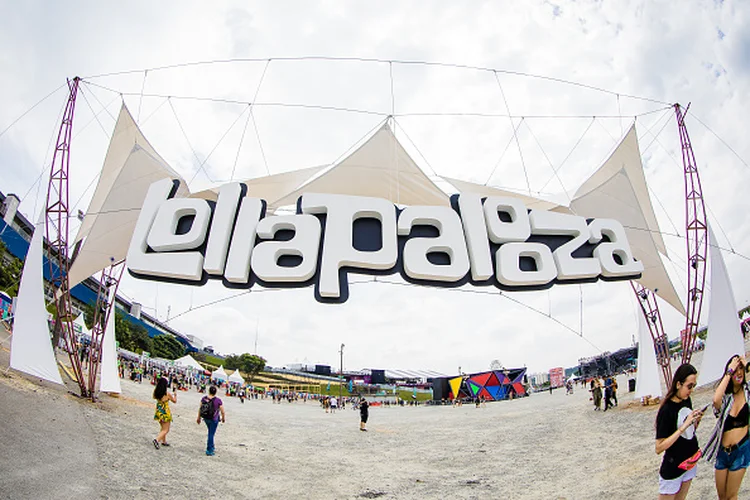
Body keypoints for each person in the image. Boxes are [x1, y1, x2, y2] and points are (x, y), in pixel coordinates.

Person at [655, 363, 704, 499]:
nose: (691, 390)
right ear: (678, 384)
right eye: (689, 386)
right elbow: (659, 447)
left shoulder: (686, 401)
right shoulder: (666, 410)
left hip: (689, 461)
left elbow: (688, 434)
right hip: (673, 466)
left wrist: (696, 421)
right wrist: (683, 426)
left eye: (693, 386)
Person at [704, 355, 750, 500]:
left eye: (741, 369)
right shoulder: (727, 397)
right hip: (722, 453)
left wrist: (747, 364)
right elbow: (716, 400)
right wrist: (729, 372)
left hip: (741, 450)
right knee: (722, 497)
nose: (739, 372)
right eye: (735, 370)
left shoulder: (748, 393)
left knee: (731, 496)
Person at [197, 385, 225, 456]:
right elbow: (222, 411)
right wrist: (223, 418)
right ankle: (209, 450)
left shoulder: (204, 399)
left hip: (206, 418)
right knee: (211, 434)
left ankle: (212, 446)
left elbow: (200, 408)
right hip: (214, 419)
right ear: (215, 392)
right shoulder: (218, 400)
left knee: (210, 432)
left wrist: (198, 418)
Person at [152, 377, 177, 449]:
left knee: (163, 427)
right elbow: (174, 401)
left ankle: (164, 441)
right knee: (166, 429)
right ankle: (157, 440)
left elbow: (154, 397)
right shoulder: (167, 394)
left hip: (159, 411)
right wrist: (175, 394)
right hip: (165, 412)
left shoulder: (156, 392)